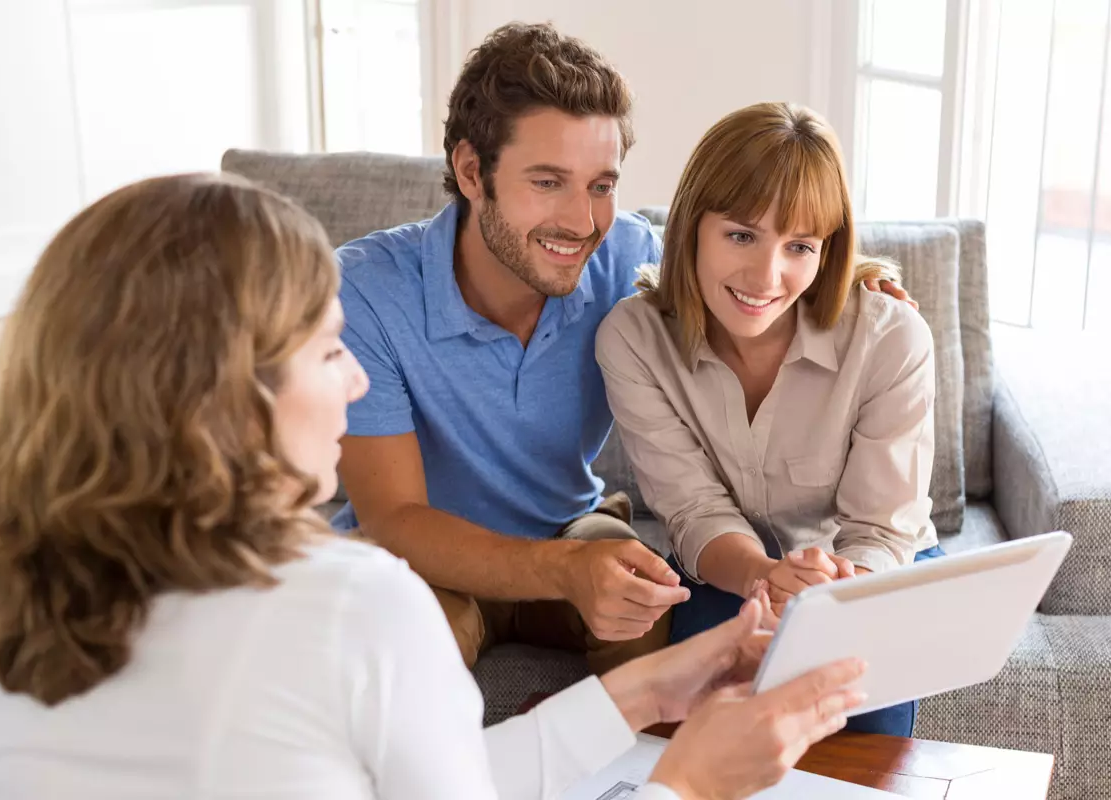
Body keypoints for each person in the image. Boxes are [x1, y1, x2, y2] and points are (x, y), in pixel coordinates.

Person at [0, 172, 869, 800]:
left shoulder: (7, 600)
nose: (357, 382)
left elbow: (449, 782)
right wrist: (691, 783)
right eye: (331, 351)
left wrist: (648, 692)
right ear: (222, 391)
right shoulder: (351, 606)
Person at [332, 21, 913, 673]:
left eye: (601, 186)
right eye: (548, 182)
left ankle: (632, 777)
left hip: (569, 524)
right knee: (408, 639)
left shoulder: (623, 259)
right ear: (471, 171)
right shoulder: (365, 292)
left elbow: (737, 272)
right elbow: (395, 519)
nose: (583, 223)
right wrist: (565, 570)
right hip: (424, 560)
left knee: (649, 601)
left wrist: (855, 275)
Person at [595, 102, 945, 738]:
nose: (766, 276)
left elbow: (880, 530)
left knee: (863, 724)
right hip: (732, 569)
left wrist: (830, 592)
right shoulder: (633, 338)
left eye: (799, 247)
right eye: (740, 235)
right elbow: (695, 510)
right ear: (691, 226)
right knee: (701, 730)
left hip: (861, 570)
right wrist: (766, 578)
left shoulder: (890, 338)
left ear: (827, 250)